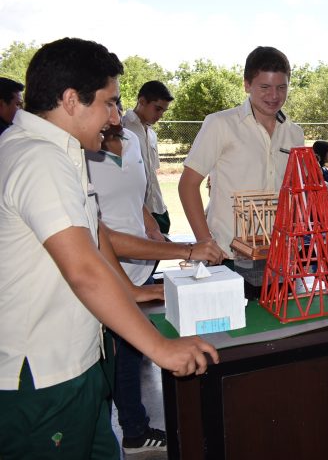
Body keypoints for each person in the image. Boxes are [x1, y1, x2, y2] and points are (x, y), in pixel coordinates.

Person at [0, 37, 218, 459]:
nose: (116, 116)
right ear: (70, 100)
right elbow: (82, 266)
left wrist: (133, 291)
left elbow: (97, 236)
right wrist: (161, 349)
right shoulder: (39, 158)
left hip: (74, 366)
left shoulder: (61, 153)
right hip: (44, 375)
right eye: (109, 102)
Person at [86, 102, 224, 454]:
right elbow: (99, 240)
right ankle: (132, 428)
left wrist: (153, 231)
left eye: (117, 105)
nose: (116, 116)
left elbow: (135, 200)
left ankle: (132, 428)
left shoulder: (131, 141)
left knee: (127, 354)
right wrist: (187, 251)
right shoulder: (74, 151)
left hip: (138, 265)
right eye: (108, 103)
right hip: (100, 270)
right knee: (116, 354)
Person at [179, 46, 304, 267]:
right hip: (228, 255)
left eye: (281, 87)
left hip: (280, 255)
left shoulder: (295, 133)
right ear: (247, 85)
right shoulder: (220, 124)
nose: (274, 96)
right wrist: (205, 241)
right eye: (264, 87)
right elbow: (188, 185)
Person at [122, 80, 174, 237]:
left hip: (158, 208)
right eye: (157, 109)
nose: (160, 115)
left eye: (163, 111)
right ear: (142, 101)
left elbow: (152, 174)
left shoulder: (152, 134)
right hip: (136, 211)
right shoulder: (123, 128)